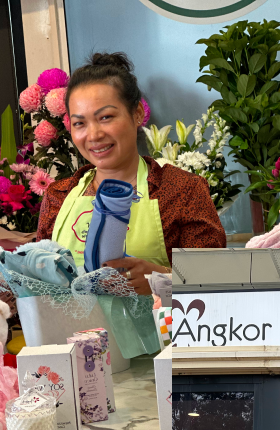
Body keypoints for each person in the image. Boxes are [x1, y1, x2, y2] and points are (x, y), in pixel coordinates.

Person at [37, 51, 227, 295]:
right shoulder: (59, 196)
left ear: (137, 114)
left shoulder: (180, 191)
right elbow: (39, 281)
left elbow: (217, 283)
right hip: (75, 333)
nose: (93, 135)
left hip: (159, 333)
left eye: (105, 117)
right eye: (80, 123)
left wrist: (162, 281)